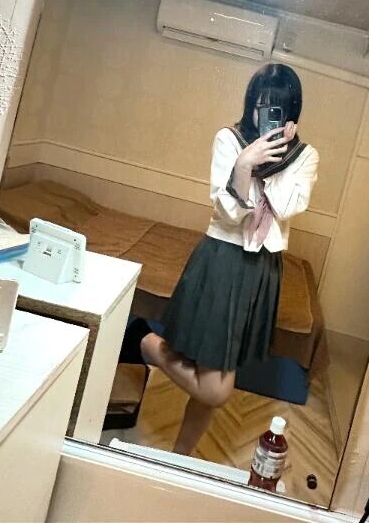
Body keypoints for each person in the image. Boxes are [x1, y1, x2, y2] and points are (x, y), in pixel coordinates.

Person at [120, 63, 319, 455]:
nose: (267, 116)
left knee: (216, 369)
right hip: (222, 262)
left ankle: (180, 456)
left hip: (262, 271)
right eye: (262, 106)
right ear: (250, 104)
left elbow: (286, 206)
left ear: (292, 113)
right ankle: (143, 341)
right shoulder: (229, 140)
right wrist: (244, 163)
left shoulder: (305, 156)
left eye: (277, 108)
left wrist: (269, 162)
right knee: (216, 388)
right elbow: (229, 214)